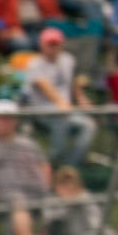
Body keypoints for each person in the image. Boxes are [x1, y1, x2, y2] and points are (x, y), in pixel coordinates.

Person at [22, 26, 96, 168]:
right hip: (42, 112)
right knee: (61, 118)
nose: (53, 47)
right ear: (42, 45)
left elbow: (74, 80)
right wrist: (60, 103)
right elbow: (44, 86)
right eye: (50, 44)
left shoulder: (68, 60)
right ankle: (53, 163)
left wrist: (81, 98)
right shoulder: (35, 64)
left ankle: (70, 166)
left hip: (65, 111)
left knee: (88, 125)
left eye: (56, 44)